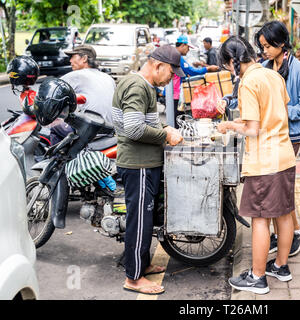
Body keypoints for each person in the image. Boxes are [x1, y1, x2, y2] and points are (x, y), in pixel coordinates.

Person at [217, 36, 297, 295]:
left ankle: (257, 276)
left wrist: (230, 125)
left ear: (233, 61)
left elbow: (253, 129)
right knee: (284, 214)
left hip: (264, 162)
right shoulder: (273, 75)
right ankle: (281, 267)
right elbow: (275, 111)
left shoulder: (248, 82)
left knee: (260, 219)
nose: (229, 71)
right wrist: (245, 119)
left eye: (228, 66)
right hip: (285, 155)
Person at [112, 44, 184, 296]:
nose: (171, 78)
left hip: (145, 163)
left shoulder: (144, 86)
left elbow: (144, 122)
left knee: (145, 218)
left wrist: (164, 128)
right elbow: (133, 129)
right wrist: (164, 134)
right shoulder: (137, 86)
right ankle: (133, 277)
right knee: (139, 221)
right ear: (157, 65)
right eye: (171, 73)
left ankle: (142, 264)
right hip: (138, 164)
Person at [254, 20, 300, 257]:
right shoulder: (266, 66)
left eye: (268, 46)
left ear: (280, 43)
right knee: (277, 187)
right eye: (262, 47)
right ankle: (286, 234)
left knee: (281, 187)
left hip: (291, 134)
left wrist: (279, 111)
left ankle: (294, 232)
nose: (265, 51)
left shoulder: (299, 70)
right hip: (271, 133)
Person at [50, 45, 116, 145]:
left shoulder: (77, 75)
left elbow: (53, 88)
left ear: (84, 58)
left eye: (73, 57)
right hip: (110, 131)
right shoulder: (108, 77)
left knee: (55, 127)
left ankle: (59, 160)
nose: (70, 61)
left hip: (90, 132)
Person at [172, 34, 219, 127]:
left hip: (175, 91)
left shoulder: (175, 55)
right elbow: (191, 71)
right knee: (177, 120)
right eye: (188, 47)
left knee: (178, 119)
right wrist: (208, 69)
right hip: (176, 93)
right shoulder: (177, 56)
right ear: (183, 45)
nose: (188, 50)